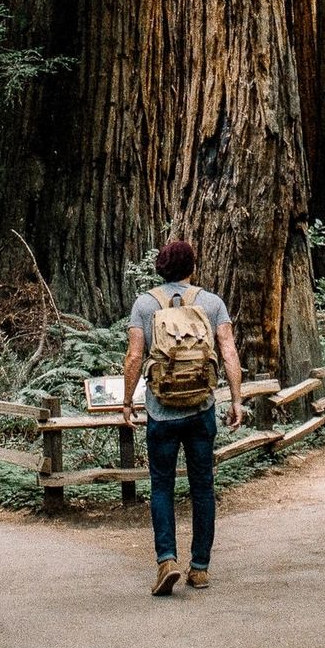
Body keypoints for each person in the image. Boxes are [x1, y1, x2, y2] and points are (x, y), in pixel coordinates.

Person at [120, 239, 245, 596]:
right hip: (201, 409)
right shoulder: (211, 302)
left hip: (161, 411)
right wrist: (236, 399)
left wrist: (127, 401)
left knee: (162, 486)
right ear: (192, 266)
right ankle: (200, 568)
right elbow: (229, 350)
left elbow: (133, 356)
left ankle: (166, 560)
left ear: (160, 266)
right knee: (202, 487)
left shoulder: (145, 304)